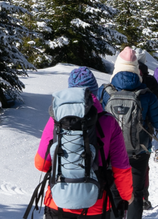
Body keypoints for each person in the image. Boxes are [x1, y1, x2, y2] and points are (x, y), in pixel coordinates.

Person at [34, 67, 134, 218]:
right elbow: (120, 167)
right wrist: (127, 196)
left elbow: (41, 164)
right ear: (93, 92)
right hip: (96, 204)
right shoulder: (108, 121)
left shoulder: (56, 120)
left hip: (58, 202)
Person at [105, 47, 158, 219]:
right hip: (138, 151)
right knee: (136, 193)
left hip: (112, 153)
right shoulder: (146, 94)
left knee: (114, 192)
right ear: (136, 69)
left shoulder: (106, 93)